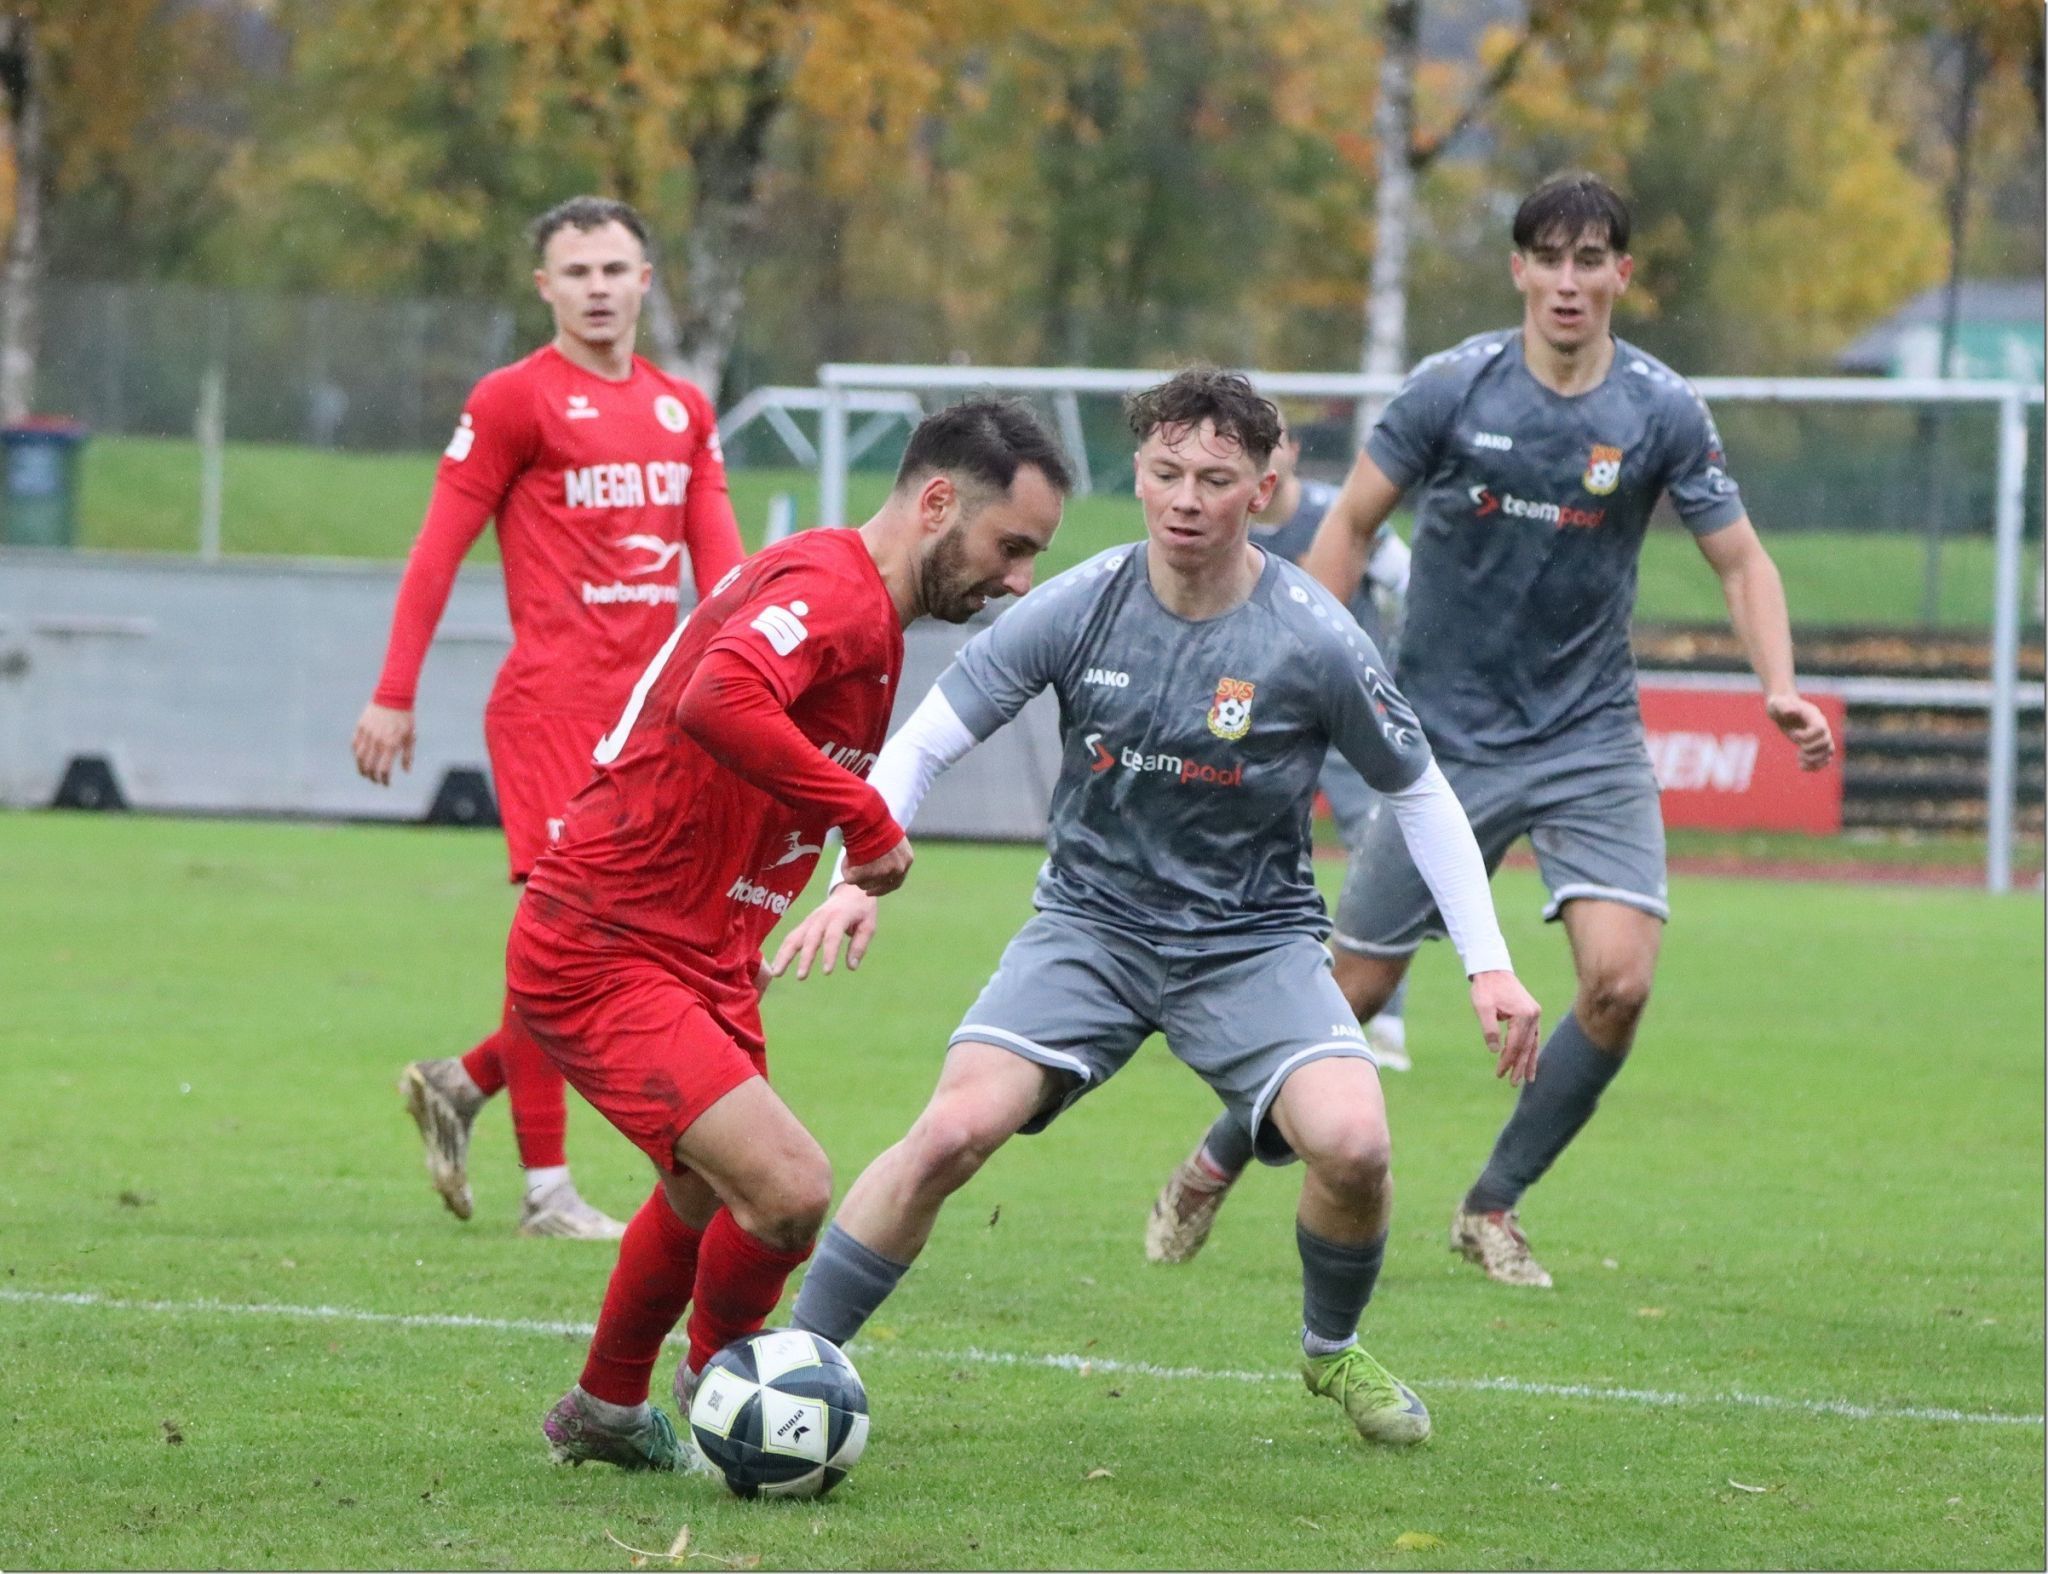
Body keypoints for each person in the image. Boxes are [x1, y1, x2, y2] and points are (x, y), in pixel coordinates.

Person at [771, 370, 1542, 1449]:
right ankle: (793, 1365)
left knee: (1356, 1144)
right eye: (1165, 472)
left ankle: (1328, 1351)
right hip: (1088, 928)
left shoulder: (1311, 637)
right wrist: (859, 870)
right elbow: (931, 734)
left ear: (1263, 488)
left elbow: (1416, 789)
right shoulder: (1078, 602)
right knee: (950, 1128)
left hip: (1250, 943)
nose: (1185, 497)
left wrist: (1486, 960)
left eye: (1215, 478)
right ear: (1137, 473)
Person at [1148, 173, 1836, 1290]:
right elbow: (1354, 524)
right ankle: (1220, 1153)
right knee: (1347, 999)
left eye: (1589, 258)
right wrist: (1288, 674)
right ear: (1518, 268)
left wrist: (1779, 683)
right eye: (1547, 257)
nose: (1567, 279)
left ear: (1622, 273)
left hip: (1587, 737)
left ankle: (1490, 1203)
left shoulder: (1659, 411)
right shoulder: (1449, 390)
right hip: (1438, 745)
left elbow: (1740, 557)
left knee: (1617, 981)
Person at [521, 400, 1070, 1469]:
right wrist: (867, 819)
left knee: (700, 1190)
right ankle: (730, 1388)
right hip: (607, 938)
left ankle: (606, 1407)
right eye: (1011, 547)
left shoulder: (866, 617)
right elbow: (721, 694)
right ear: (938, 501)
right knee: (788, 1188)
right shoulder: (834, 591)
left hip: (698, 949)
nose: (1016, 581)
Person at [352, 196, 744, 1239]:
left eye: (616, 269)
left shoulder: (681, 411)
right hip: (549, 712)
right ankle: (546, 1190)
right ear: (545, 287)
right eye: (577, 272)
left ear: (647, 280)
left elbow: (726, 574)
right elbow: (436, 550)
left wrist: (758, 690)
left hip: (651, 727)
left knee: (628, 950)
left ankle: (464, 1081)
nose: (599, 288)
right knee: (565, 936)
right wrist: (394, 691)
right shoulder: (514, 399)